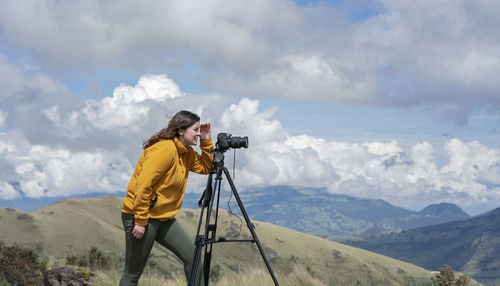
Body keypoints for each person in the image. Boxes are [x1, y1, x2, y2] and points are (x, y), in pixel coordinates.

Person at [120, 110, 213, 286]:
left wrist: (206, 142)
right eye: (196, 130)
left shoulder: (186, 152)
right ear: (181, 130)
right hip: (142, 216)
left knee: (192, 257)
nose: (199, 133)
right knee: (133, 272)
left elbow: (206, 167)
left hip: (164, 218)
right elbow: (143, 186)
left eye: (199, 130)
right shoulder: (164, 150)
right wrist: (140, 220)